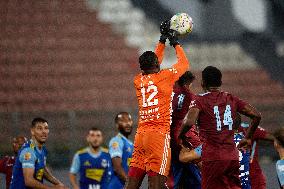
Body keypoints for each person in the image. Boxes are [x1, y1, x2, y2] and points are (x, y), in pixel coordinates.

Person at [125, 20, 190, 189]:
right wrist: (174, 42)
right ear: (157, 65)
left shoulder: (138, 80)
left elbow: (154, 61)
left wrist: (161, 40)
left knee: (131, 185)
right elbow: (184, 64)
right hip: (158, 136)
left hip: (141, 136)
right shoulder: (165, 77)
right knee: (157, 185)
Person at [182, 66, 261, 189]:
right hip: (232, 157)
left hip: (212, 157)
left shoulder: (199, 100)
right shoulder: (231, 98)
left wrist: (181, 136)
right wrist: (248, 137)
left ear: (203, 83)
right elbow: (256, 115)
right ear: (220, 82)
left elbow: (188, 122)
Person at [10, 117, 67, 189]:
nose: (44, 131)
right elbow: (29, 181)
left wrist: (59, 183)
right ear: (32, 131)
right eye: (40, 128)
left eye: (46, 128)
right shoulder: (29, 151)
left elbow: (42, 169)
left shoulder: (42, 149)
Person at [170, 71, 201, 189]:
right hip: (185, 136)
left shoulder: (169, 94)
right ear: (189, 83)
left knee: (179, 171)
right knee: (202, 163)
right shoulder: (191, 96)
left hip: (170, 138)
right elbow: (190, 120)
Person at [239, 122, 274, 189]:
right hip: (252, 174)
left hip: (237, 175)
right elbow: (274, 138)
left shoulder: (224, 130)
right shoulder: (251, 127)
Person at [108, 112, 134, 189]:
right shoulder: (116, 141)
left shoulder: (130, 144)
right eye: (123, 121)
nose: (127, 123)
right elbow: (117, 167)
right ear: (117, 125)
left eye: (129, 120)